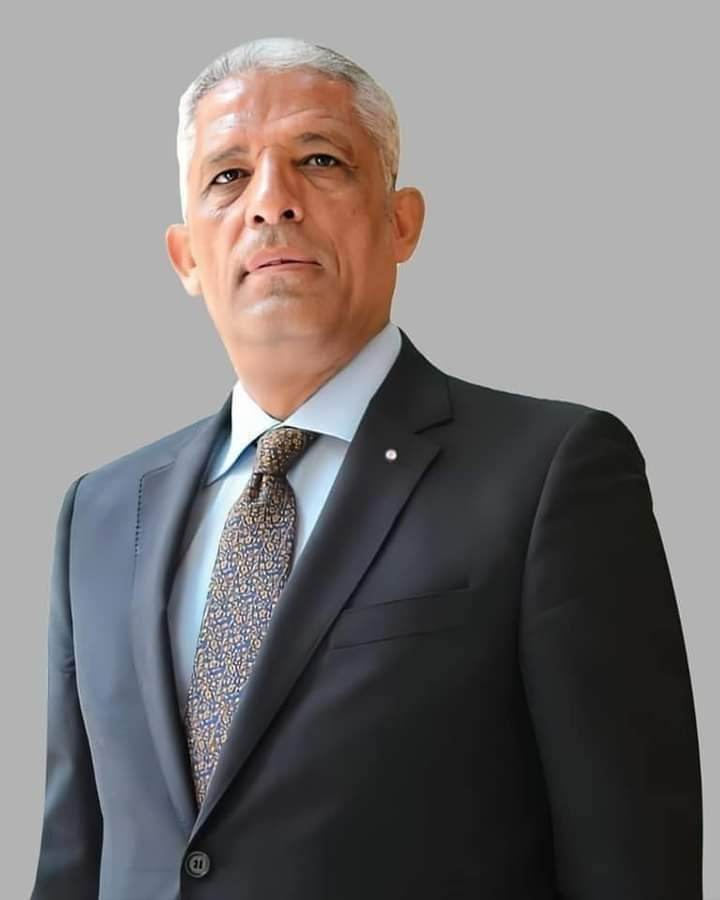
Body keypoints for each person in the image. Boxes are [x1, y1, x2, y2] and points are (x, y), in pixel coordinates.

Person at [30, 36, 703, 900]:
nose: (271, 201)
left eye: (319, 160)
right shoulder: (98, 512)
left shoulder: (549, 475)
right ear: (187, 255)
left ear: (401, 221)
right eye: (228, 175)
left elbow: (632, 860)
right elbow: (74, 857)